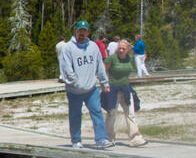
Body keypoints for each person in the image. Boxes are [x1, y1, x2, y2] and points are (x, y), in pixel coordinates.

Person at [58, 20, 114, 149]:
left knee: (97, 112)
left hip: (91, 89)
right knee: (75, 115)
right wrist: (76, 83)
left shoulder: (93, 46)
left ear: (88, 32)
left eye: (84, 31)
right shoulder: (68, 48)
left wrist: (104, 82)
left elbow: (99, 65)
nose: (82, 34)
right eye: (79, 31)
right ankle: (76, 140)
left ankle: (101, 139)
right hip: (74, 91)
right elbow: (66, 69)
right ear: (75, 32)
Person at [104, 39, 147, 146]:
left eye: (124, 48)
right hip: (113, 89)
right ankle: (108, 138)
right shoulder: (111, 59)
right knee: (111, 114)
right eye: (119, 48)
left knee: (130, 114)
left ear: (128, 50)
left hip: (126, 88)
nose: (121, 50)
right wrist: (104, 85)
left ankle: (135, 138)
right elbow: (103, 71)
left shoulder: (128, 58)